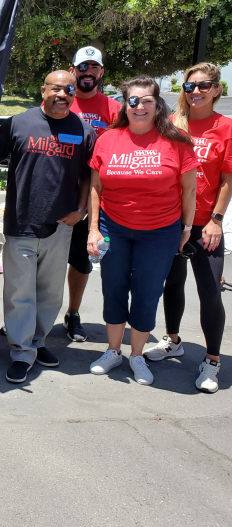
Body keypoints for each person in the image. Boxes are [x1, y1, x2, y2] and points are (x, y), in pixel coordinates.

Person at [0, 70, 95, 384]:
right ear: (43, 89)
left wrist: (81, 209)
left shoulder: (83, 130)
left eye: (69, 90)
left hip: (61, 225)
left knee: (49, 293)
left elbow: (89, 175)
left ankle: (38, 342)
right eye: (57, 89)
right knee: (20, 293)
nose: (63, 95)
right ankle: (21, 352)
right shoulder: (19, 122)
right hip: (22, 221)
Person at [88, 76, 198, 386]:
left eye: (146, 100)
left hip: (160, 231)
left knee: (148, 293)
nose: (139, 106)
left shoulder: (176, 140)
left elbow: (189, 189)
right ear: (125, 105)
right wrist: (93, 229)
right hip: (114, 228)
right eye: (132, 101)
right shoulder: (108, 139)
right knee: (114, 288)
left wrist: (186, 227)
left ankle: (136, 355)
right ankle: (113, 351)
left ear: (157, 104)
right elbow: (95, 186)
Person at [145, 63, 232, 392]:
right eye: (189, 86)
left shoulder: (226, 127)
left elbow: (227, 180)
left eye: (203, 85)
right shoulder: (171, 124)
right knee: (173, 282)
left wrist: (216, 221)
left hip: (205, 224)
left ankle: (212, 360)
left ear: (216, 89)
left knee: (210, 290)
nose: (195, 91)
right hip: (170, 221)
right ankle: (174, 341)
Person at [62, 46, 122, 342]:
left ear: (101, 72)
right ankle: (29, 315)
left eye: (94, 67)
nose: (88, 72)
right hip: (56, 194)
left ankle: (73, 314)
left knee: (81, 261)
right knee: (39, 260)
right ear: (72, 70)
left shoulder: (114, 110)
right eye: (82, 67)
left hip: (96, 199)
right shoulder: (62, 101)